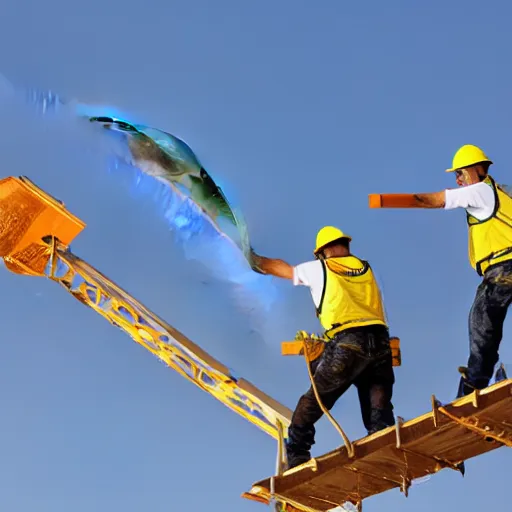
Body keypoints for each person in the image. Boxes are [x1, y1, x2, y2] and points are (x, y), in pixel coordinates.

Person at [250, 226, 396, 469]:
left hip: (349, 342)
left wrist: (252, 259)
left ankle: (297, 456)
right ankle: (385, 445)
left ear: (323, 251)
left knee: (310, 404)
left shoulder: (321, 267)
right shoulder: (368, 269)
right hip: (381, 343)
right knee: (378, 412)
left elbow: (280, 269)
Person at [377, 144, 512, 397]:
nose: (458, 180)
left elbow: (437, 200)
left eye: (460, 173)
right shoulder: (501, 193)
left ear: (476, 170)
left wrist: (401, 200)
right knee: (486, 322)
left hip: (504, 266)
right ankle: (477, 384)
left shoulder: (479, 192)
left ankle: (473, 388)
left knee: (481, 322)